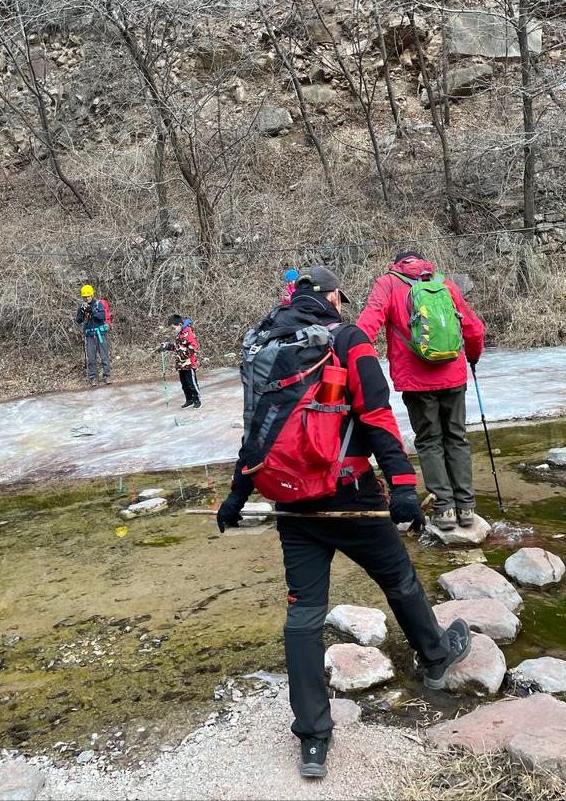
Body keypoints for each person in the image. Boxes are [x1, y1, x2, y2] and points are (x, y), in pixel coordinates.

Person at [216, 266, 471, 779]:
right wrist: (402, 487)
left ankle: (313, 740)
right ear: (331, 296)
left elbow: (256, 433)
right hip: (351, 496)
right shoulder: (348, 339)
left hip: (291, 504)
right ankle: (437, 657)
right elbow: (377, 416)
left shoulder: (262, 345)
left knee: (304, 616)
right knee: (398, 578)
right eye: (340, 296)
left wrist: (237, 495)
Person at [356, 251, 485, 532]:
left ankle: (445, 510)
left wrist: (349, 354)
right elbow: (473, 327)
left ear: (397, 264)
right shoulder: (444, 283)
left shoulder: (388, 284)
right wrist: (473, 356)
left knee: (428, 440)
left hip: (416, 380)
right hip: (453, 375)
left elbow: (369, 323)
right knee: (457, 437)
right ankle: (466, 507)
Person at [156, 315, 202, 408]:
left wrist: (183, 354)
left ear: (180, 324)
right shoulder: (179, 334)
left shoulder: (188, 332)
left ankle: (197, 400)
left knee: (191, 383)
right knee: (184, 383)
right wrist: (167, 346)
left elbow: (194, 346)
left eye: (174, 327)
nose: (174, 330)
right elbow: (177, 347)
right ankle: (189, 400)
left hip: (189, 363)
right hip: (181, 364)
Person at [76, 284, 111, 387]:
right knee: (91, 357)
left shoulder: (98, 304)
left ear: (92, 295)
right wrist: (82, 312)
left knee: (104, 356)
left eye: (88, 296)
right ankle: (93, 378)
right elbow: (78, 320)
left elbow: (102, 316)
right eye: (85, 297)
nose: (87, 298)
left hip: (100, 333)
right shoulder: (82, 306)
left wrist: (92, 311)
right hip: (89, 335)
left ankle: (107, 376)